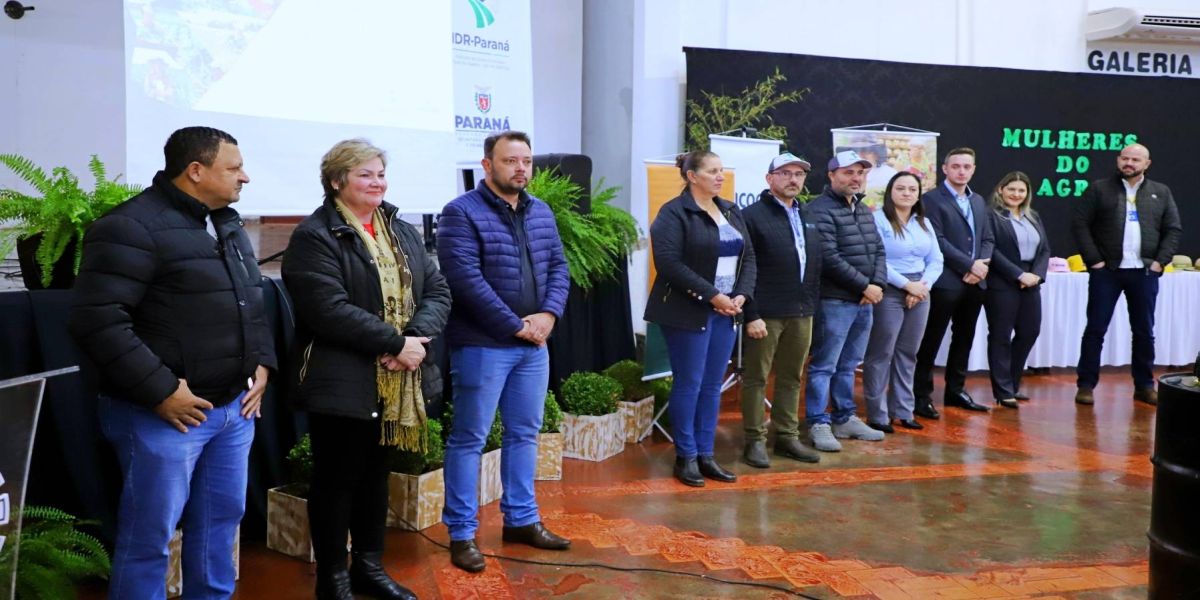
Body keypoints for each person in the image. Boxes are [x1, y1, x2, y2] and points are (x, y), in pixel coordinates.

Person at [69, 127, 275, 599]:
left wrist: (263, 362)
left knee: (221, 522)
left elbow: (251, 302)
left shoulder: (226, 223)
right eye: (234, 168)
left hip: (233, 411)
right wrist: (161, 391)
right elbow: (97, 321)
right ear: (196, 171)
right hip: (162, 415)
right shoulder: (130, 227)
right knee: (149, 537)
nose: (245, 177)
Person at [282, 139, 450, 600]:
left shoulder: (401, 229)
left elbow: (438, 289)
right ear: (337, 182)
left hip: (398, 374)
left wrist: (413, 339)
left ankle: (369, 568)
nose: (378, 183)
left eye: (380, 174)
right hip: (342, 379)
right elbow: (326, 309)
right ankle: (333, 578)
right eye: (365, 175)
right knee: (336, 480)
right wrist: (394, 343)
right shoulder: (315, 235)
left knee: (376, 476)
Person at [437, 130, 572, 573]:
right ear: (487, 165)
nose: (520, 169)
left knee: (524, 434)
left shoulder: (541, 211)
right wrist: (516, 326)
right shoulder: (460, 212)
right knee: (470, 439)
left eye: (526, 161)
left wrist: (548, 315)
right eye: (511, 160)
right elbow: (465, 280)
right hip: (483, 345)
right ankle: (461, 533)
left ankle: (521, 520)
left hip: (533, 346)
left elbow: (559, 268)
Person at [645, 149, 756, 485]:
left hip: (727, 310)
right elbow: (669, 263)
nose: (720, 176)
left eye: (721, 170)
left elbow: (749, 258)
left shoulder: (731, 210)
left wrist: (741, 294)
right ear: (692, 176)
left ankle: (706, 455)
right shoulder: (674, 213)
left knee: (711, 385)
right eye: (712, 171)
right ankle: (686, 456)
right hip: (688, 310)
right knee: (689, 383)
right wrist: (712, 296)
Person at [1072, 143, 1181, 406]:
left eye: (1135, 159)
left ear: (1147, 164)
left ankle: (1144, 386)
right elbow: (1080, 224)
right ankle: (1085, 385)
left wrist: (1160, 262)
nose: (1129, 163)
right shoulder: (1099, 189)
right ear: (1118, 159)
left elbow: (1173, 229)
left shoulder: (1161, 192)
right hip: (1107, 272)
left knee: (1144, 331)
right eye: (1125, 158)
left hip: (1144, 272)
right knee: (1095, 329)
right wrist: (1094, 261)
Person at [739, 152, 822, 468]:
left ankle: (787, 437)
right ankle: (754, 440)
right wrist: (751, 313)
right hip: (765, 314)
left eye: (799, 174)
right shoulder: (751, 216)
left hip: (802, 312)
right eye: (785, 173)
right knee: (756, 378)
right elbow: (744, 268)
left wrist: (811, 306)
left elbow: (815, 264)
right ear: (769, 178)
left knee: (792, 377)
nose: (793, 180)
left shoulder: (808, 215)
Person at [804, 150, 887, 452]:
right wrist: (866, 286)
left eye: (860, 173)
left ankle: (844, 417)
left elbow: (878, 250)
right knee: (824, 365)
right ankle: (818, 421)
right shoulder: (818, 210)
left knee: (849, 364)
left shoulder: (863, 210)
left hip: (864, 302)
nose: (855, 178)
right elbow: (828, 257)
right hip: (834, 301)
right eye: (848, 172)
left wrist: (877, 284)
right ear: (831, 175)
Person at [913, 147, 995, 418]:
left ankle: (956, 391)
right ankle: (921, 396)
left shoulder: (978, 200)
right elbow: (937, 240)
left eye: (967, 166)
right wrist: (969, 265)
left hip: (975, 282)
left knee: (964, 338)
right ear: (945, 169)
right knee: (931, 339)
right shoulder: (931, 199)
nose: (961, 171)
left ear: (973, 169)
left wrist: (980, 266)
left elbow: (988, 238)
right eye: (956, 166)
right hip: (945, 282)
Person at [862, 172, 943, 431]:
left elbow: (936, 260)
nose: (907, 193)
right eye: (901, 188)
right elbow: (877, 259)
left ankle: (904, 410)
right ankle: (877, 414)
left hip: (921, 291)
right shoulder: (878, 219)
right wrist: (907, 285)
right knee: (881, 353)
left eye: (912, 189)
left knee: (908, 353)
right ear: (890, 192)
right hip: (888, 290)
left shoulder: (924, 223)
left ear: (918, 194)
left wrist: (922, 287)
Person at [984, 171, 1049, 409]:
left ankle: (1012, 383)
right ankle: (1003, 390)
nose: (1016, 194)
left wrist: (1036, 275)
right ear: (1001, 190)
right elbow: (991, 250)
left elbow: (1044, 249)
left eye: (1021, 190)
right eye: (1011, 189)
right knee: (1001, 335)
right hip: (1002, 281)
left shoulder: (1033, 216)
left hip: (1031, 281)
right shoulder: (991, 215)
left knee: (1030, 331)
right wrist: (1018, 275)